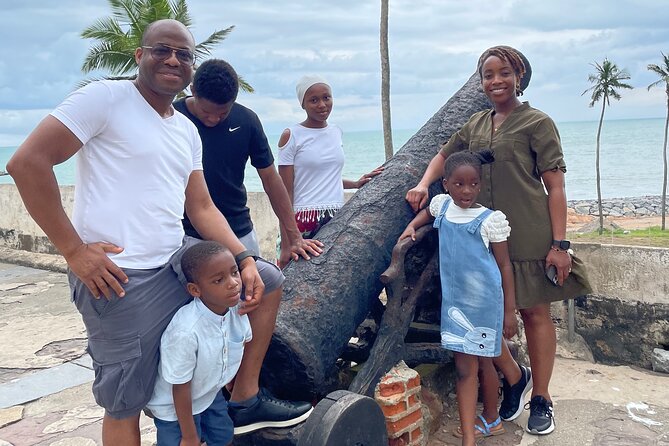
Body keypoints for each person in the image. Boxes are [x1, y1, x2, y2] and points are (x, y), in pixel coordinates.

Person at [7, 19, 266, 445]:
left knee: (268, 280)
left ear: (191, 68)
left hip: (174, 264)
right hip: (121, 275)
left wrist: (244, 258)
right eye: (162, 49)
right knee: (125, 400)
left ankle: (243, 396)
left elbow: (200, 206)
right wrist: (73, 250)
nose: (173, 59)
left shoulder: (185, 129)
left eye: (184, 54)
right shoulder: (105, 98)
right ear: (139, 56)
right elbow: (27, 162)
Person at [406, 45, 591, 435]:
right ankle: (513, 374)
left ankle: (541, 397)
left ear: (519, 76)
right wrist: (424, 184)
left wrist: (561, 245)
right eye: (488, 75)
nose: (496, 81)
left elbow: (555, 187)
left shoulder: (537, 123)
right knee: (481, 316)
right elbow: (444, 155)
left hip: (528, 230)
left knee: (534, 313)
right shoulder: (475, 124)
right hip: (481, 239)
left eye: (504, 73)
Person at [174, 59, 315, 434]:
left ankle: (243, 395)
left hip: (238, 232)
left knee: (252, 300)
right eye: (207, 111)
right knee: (202, 321)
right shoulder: (172, 120)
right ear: (191, 95)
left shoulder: (246, 120)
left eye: (222, 113)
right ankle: (210, 401)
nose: (215, 120)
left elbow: (271, 180)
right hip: (186, 237)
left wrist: (292, 235)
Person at [400, 150, 517, 445]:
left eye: (474, 184)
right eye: (459, 184)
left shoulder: (490, 220)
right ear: (446, 184)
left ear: (480, 184)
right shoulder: (442, 208)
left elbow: (504, 266)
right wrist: (411, 227)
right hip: (454, 307)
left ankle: (491, 418)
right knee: (466, 370)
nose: (467, 190)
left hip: (485, 304)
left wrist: (509, 312)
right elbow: (426, 214)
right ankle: (469, 436)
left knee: (486, 364)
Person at [147, 241, 250, 446]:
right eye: (218, 280)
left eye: (234, 272)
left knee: (223, 436)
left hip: (209, 394)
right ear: (195, 290)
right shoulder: (186, 332)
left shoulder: (235, 310)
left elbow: (239, 344)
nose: (233, 283)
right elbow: (180, 387)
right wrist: (189, 435)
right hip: (175, 409)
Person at [277, 75, 383, 238]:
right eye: (313, 100)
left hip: (335, 216)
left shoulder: (336, 132)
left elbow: (324, 178)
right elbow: (285, 191)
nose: (322, 105)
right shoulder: (292, 135)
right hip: (303, 219)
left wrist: (355, 183)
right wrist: (287, 239)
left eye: (326, 98)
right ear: (303, 104)